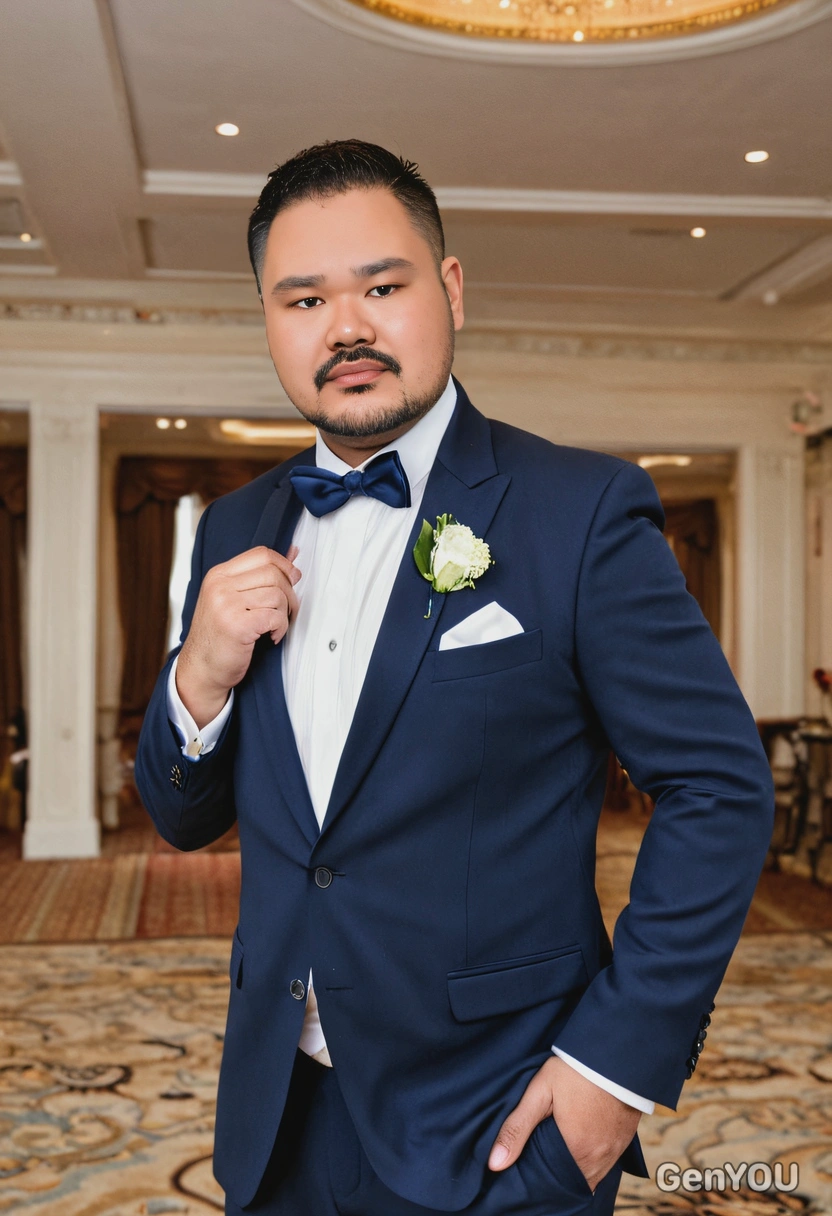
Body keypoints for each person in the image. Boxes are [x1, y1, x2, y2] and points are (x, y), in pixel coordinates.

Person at [135, 139, 774, 1216]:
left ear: (451, 289)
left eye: (381, 286)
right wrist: (197, 674)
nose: (345, 327)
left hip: (500, 1120)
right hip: (274, 1110)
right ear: (267, 320)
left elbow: (719, 789)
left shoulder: (580, 512)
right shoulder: (237, 525)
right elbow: (183, 816)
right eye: (302, 300)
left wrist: (610, 1072)